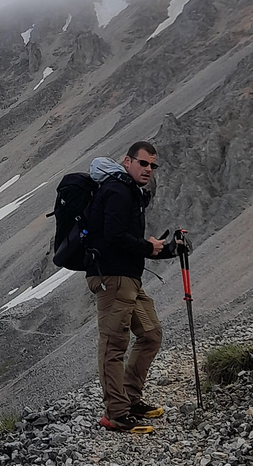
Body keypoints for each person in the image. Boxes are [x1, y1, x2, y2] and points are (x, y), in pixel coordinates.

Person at [84, 141, 179, 434]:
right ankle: (116, 414)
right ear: (127, 161)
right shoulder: (118, 190)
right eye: (143, 163)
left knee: (150, 335)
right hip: (112, 278)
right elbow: (114, 236)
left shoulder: (129, 192)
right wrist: (148, 247)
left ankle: (129, 399)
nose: (148, 169)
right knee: (114, 345)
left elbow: (132, 243)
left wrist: (167, 249)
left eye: (153, 165)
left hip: (128, 278)